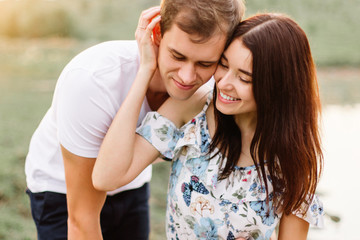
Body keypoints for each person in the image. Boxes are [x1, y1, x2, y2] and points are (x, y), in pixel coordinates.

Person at [93, 13, 325, 239]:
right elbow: (106, 177)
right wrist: (146, 70)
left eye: (244, 78)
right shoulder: (194, 109)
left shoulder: (292, 159)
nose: (223, 83)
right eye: (223, 65)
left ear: (277, 87)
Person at [24, 0, 245, 239]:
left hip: (131, 182)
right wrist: (146, 70)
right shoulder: (91, 81)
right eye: (177, 56)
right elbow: (81, 220)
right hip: (61, 190)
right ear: (157, 34)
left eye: (205, 63)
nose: (187, 76)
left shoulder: (218, 90)